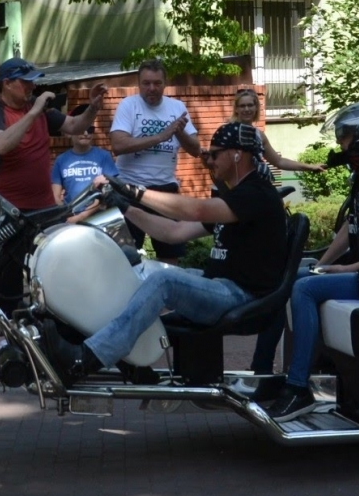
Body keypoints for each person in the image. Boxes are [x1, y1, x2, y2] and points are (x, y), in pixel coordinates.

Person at [36, 122, 288, 386]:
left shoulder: (256, 193)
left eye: (214, 154)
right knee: (143, 271)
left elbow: (195, 210)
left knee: (164, 281)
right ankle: (131, 361)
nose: (209, 161)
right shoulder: (238, 196)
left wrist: (131, 190)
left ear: (237, 154)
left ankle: (86, 359)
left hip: (241, 296)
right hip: (220, 285)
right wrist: (125, 207)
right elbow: (172, 232)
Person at [259, 103, 359, 421]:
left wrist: (348, 268)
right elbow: (351, 226)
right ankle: (264, 372)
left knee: (305, 289)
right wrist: (322, 263)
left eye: (345, 136)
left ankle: (298, 387)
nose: (340, 143)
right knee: (291, 277)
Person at [0, 58, 107, 380]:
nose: (32, 87)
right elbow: (1, 145)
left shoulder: (40, 111)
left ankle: (56, 349)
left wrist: (92, 107)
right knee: (1, 283)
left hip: (44, 210)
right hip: (9, 211)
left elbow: (74, 126)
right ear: (7, 83)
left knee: (54, 278)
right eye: (26, 82)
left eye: (33, 81)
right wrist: (34, 111)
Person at [110, 58, 200, 261]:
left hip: (165, 191)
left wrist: (179, 133)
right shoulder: (128, 105)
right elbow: (118, 145)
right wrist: (161, 136)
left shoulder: (177, 107)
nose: (152, 88)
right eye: (146, 83)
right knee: (124, 257)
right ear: (138, 83)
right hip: (129, 189)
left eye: (157, 83)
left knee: (171, 256)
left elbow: (196, 149)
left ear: (165, 83)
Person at [232, 88, 324, 177]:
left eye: (250, 105)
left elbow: (279, 161)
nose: (247, 109)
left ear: (256, 108)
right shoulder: (229, 132)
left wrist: (311, 167)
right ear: (236, 109)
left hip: (259, 182)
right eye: (242, 106)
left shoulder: (259, 135)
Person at [50, 106, 118, 217]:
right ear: (69, 131)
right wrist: (65, 215)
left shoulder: (104, 156)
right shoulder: (61, 160)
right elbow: (55, 195)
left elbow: (109, 191)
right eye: (81, 129)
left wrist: (81, 216)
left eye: (90, 129)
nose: (86, 133)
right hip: (70, 217)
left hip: (97, 217)